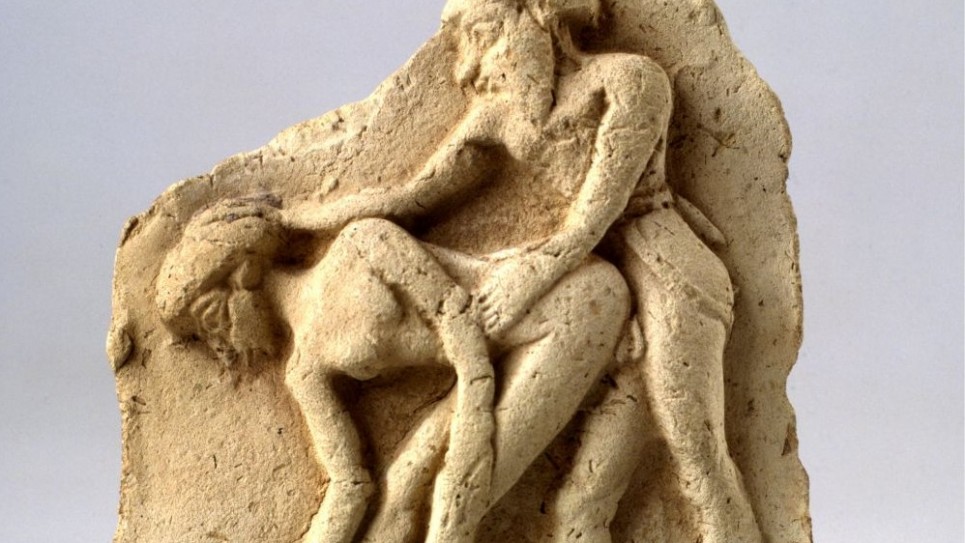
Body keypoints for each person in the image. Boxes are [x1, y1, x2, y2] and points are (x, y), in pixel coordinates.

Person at [155, 197, 497, 543]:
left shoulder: (360, 244)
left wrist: (468, 448)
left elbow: (455, 316)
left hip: (510, 311)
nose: (223, 346)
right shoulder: (303, 372)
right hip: (481, 364)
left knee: (440, 497)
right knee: (399, 494)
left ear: (245, 275)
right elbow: (350, 484)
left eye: (213, 321)